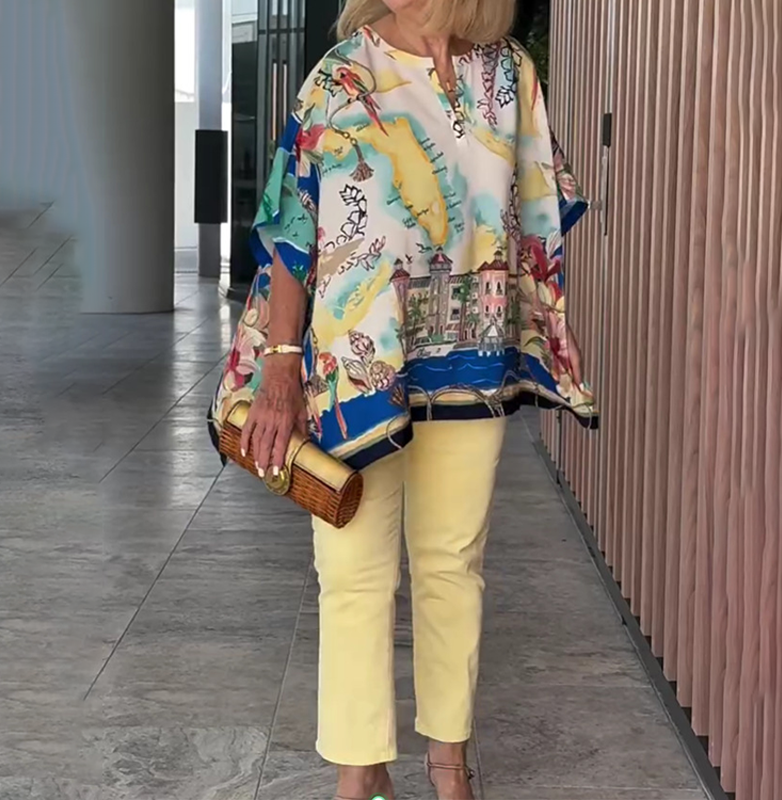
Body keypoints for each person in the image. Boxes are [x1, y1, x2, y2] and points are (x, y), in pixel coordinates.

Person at [209, 0, 597, 798]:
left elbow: (535, 213)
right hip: (357, 370)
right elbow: (292, 231)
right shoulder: (341, 76)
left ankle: (448, 764)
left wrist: (538, 326)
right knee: (353, 569)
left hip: (470, 362)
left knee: (454, 562)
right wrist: (280, 366)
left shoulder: (509, 75)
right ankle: (362, 772)